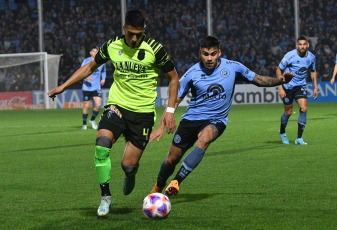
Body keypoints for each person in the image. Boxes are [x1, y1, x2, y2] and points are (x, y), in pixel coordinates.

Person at [47, 10, 179, 217]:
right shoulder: (111, 45)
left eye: (138, 34)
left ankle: (130, 173)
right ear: (124, 28)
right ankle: (106, 196)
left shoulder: (155, 49)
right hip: (117, 105)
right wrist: (63, 86)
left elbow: (173, 77)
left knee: (128, 166)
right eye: (130, 33)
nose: (134, 38)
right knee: (101, 147)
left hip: (143, 114)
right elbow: (90, 67)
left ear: (144, 30)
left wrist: (170, 111)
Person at [149, 36, 294, 196]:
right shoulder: (192, 73)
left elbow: (259, 80)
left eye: (213, 53)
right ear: (200, 53)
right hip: (191, 120)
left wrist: (280, 81)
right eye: (205, 54)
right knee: (171, 159)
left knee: (204, 140)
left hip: (216, 120)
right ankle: (157, 188)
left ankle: (176, 182)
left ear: (219, 52)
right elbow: (175, 101)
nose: (209, 58)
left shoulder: (233, 67)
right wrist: (162, 124)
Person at [277, 35, 318, 145]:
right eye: (300, 44)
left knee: (304, 108)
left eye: (304, 44)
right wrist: (280, 88)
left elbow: (313, 71)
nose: (302, 46)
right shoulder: (290, 56)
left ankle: (299, 138)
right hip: (287, 87)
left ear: (308, 45)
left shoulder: (311, 57)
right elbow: (278, 70)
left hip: (300, 85)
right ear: (297, 45)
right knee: (288, 112)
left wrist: (315, 87)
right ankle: (282, 132)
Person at [81, 46, 106, 130]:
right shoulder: (86, 61)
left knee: (98, 105)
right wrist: (86, 77)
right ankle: (84, 124)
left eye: (97, 51)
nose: (95, 53)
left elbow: (103, 71)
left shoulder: (101, 61)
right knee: (86, 106)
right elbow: (80, 71)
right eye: (94, 51)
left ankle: (92, 120)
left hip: (96, 86)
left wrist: (103, 78)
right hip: (86, 87)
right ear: (90, 52)